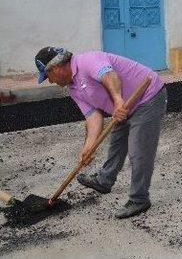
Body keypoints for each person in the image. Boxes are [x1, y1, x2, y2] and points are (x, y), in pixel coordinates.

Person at [35, 47, 166, 219]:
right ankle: (104, 180)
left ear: (56, 68)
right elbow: (93, 117)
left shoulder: (88, 61)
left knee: (139, 151)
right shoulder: (74, 88)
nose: (50, 81)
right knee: (117, 144)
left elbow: (109, 76)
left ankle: (139, 199)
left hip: (147, 98)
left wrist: (118, 101)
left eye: (48, 76)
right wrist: (88, 148)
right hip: (122, 108)